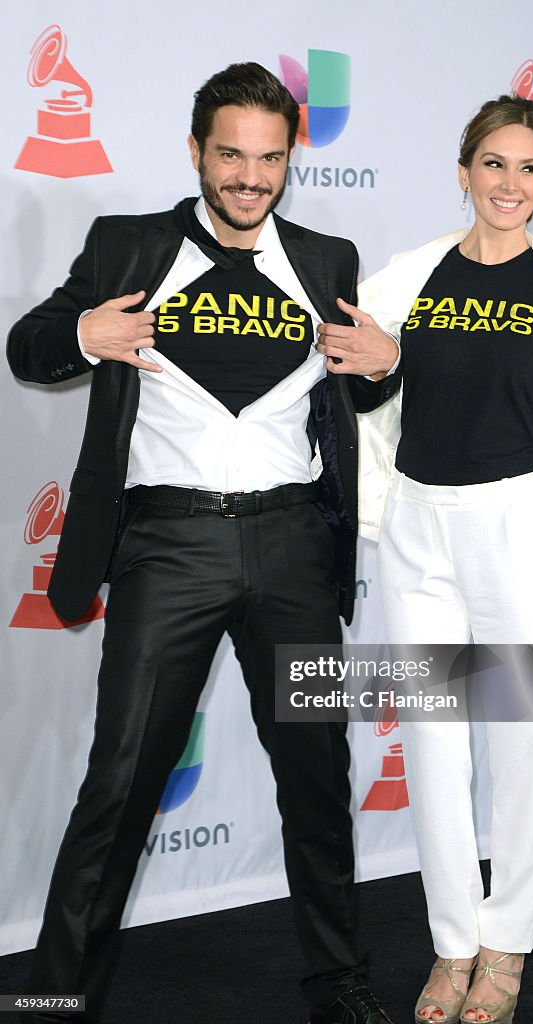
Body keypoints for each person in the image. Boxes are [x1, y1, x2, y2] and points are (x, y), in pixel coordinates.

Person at [6, 63, 400, 1024]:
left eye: (268, 159)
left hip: (294, 545)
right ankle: (57, 998)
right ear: (197, 151)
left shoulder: (326, 257)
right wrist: (88, 333)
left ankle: (338, 982)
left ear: (289, 160)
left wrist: (388, 368)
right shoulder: (129, 245)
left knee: (315, 778)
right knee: (120, 783)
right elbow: (30, 346)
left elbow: (355, 388)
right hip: (168, 545)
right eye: (231, 154)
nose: (250, 177)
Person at [316, 95, 533, 1024]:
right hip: (418, 529)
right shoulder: (405, 278)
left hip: (515, 528)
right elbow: (354, 377)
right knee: (430, 743)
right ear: (464, 169)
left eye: (528, 169)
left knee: (515, 741)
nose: (508, 184)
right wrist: (378, 360)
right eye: (493, 164)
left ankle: (505, 944)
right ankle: (450, 944)